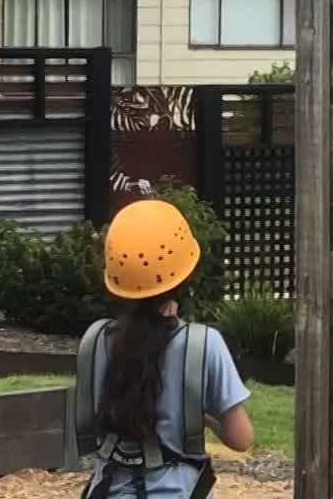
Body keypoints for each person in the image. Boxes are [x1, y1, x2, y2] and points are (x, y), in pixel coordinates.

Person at [75, 199, 254, 498]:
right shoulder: (204, 344)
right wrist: (205, 419)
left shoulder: (96, 340)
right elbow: (241, 438)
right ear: (185, 273)